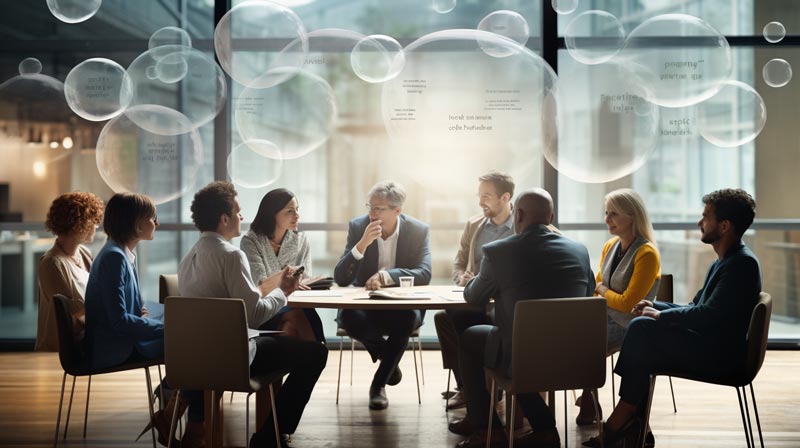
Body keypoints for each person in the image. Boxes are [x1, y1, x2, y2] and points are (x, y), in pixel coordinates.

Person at [583, 189, 762, 447]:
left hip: (722, 356)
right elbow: (696, 306)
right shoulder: (726, 261)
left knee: (643, 330)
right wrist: (656, 305)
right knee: (644, 337)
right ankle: (632, 422)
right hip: (712, 344)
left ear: (724, 226)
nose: (700, 223)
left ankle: (625, 418)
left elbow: (707, 315)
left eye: (705, 217)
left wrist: (658, 314)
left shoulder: (740, 265)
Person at [178, 181, 327, 448]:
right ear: (224, 219)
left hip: (198, 358)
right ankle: (269, 437)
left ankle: (202, 421)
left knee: (290, 333)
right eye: (237, 212)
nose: (242, 217)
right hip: (234, 357)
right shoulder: (232, 256)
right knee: (316, 353)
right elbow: (255, 315)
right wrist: (283, 290)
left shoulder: (188, 257)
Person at [458, 189, 595, 448]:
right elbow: (588, 295)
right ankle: (543, 429)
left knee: (469, 339)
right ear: (551, 216)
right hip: (573, 356)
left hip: (520, 356)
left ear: (517, 214)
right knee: (525, 349)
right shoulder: (579, 250)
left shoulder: (498, 252)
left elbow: (473, 297)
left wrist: (476, 279)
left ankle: (488, 428)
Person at [333, 180, 432, 410]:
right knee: (348, 318)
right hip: (365, 306)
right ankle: (390, 362)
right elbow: (342, 278)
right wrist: (362, 245)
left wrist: (386, 276)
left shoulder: (418, 230)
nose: (371, 213)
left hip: (401, 306)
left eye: (378, 208)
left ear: (397, 210)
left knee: (406, 320)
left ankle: (378, 386)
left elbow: (424, 273)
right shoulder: (359, 227)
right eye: (370, 206)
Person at [576, 189, 661, 425]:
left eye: (614, 214)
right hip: (605, 317)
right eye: (606, 213)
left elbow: (628, 304)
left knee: (583, 341)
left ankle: (588, 399)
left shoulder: (646, 253)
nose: (607, 219)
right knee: (573, 334)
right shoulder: (610, 245)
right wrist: (603, 291)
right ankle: (589, 399)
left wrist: (604, 291)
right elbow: (597, 286)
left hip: (632, 325)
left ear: (632, 216)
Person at [435, 171, 515, 412]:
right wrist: (462, 278)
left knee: (460, 320)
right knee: (444, 317)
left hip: (502, 304)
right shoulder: (473, 225)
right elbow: (458, 263)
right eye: (479, 196)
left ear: (505, 197)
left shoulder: (520, 228)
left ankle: (485, 390)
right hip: (474, 297)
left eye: (487, 196)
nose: (480, 202)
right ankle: (467, 387)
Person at [84, 192, 163, 370]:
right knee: (186, 341)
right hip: (115, 348)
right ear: (136, 224)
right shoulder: (114, 257)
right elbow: (119, 321)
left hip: (120, 341)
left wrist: (138, 313)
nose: (156, 223)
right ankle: (176, 393)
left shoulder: (119, 253)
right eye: (152, 218)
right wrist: (167, 328)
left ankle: (174, 393)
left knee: (183, 336)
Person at [240, 188, 323, 342]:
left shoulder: (301, 239)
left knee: (290, 327)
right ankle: (318, 353)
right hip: (265, 307)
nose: (297, 215)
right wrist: (289, 274)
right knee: (296, 316)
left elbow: (305, 278)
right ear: (272, 214)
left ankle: (311, 358)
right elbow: (261, 285)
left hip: (295, 303)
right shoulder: (251, 241)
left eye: (297, 209)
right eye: (290, 211)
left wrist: (293, 280)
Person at [36, 192, 104, 351]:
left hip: (86, 337)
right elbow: (71, 314)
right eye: (92, 220)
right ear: (78, 224)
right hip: (63, 348)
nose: (96, 226)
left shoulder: (84, 253)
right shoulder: (51, 263)